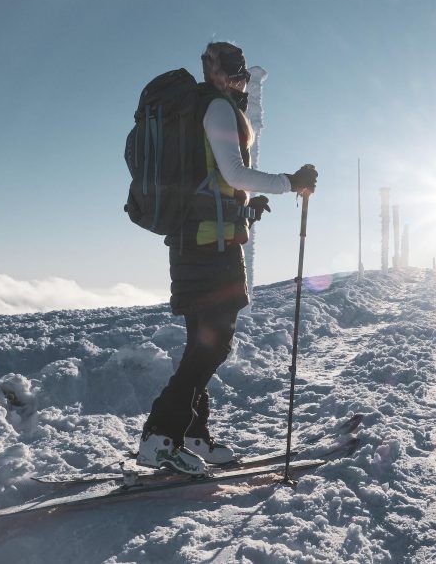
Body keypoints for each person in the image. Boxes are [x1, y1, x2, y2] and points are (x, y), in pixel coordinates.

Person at [136, 42, 319, 474]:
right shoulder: (217, 108)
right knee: (214, 346)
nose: (241, 83)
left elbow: (214, 180)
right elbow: (234, 172)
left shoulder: (200, 108)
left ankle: (194, 434)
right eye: (238, 76)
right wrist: (290, 182)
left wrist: (243, 208)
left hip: (193, 242)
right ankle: (160, 436)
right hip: (210, 250)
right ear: (225, 74)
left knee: (203, 342)